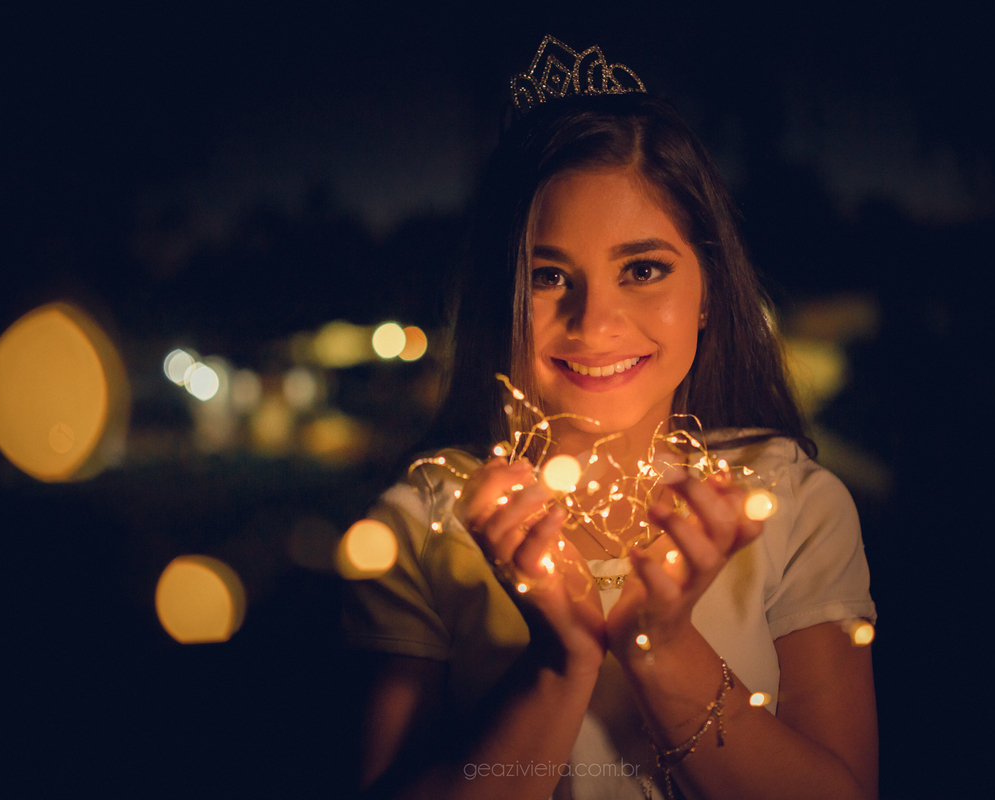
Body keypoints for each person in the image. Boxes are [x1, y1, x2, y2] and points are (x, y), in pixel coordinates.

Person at [346, 37, 877, 800]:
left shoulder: (791, 507)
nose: (594, 322)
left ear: (708, 290)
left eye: (643, 270)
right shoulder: (422, 528)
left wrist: (660, 647)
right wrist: (560, 665)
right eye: (549, 275)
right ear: (501, 299)